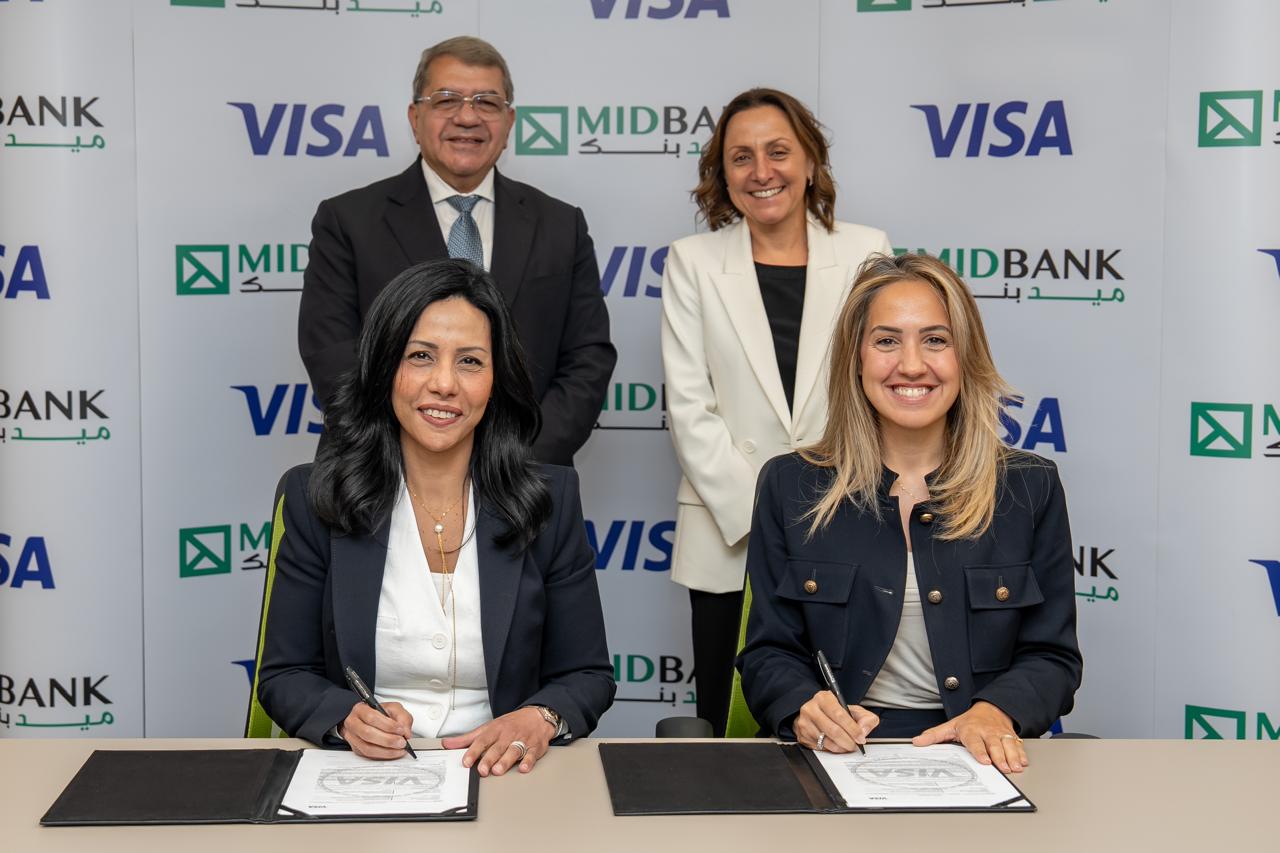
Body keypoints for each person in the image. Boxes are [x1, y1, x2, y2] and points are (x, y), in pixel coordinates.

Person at [259, 259, 615, 775]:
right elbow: (285, 675)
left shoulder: (549, 499)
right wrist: (346, 719)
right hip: (363, 775)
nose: (445, 384)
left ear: (496, 379)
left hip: (505, 775)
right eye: (420, 356)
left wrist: (540, 717)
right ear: (385, 368)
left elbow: (587, 675)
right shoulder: (318, 497)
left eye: (470, 361)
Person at [739, 253, 1082, 773]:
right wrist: (804, 707)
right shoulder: (791, 484)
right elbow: (768, 653)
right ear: (856, 358)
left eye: (936, 340)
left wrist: (994, 711)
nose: (913, 365)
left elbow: (1053, 657)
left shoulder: (1028, 486)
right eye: (886, 341)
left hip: (978, 756)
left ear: (966, 356)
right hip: (837, 756)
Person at [660, 88, 891, 735]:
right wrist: (767, 521)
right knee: (730, 727)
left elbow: (876, 391)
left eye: (778, 151)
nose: (761, 171)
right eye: (741, 156)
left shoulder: (867, 251)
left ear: (810, 161)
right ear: (722, 173)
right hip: (728, 535)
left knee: (845, 722)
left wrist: (819, 519)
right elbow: (690, 408)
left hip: (846, 522)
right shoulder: (692, 262)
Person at [298, 36, 614, 466]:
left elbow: (587, 360)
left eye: (487, 102)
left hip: (525, 476)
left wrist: (514, 462)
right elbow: (332, 355)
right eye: (447, 100)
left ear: (509, 121)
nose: (468, 117)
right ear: (415, 118)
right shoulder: (348, 221)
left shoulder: (561, 225)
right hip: (379, 475)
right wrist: (419, 466)